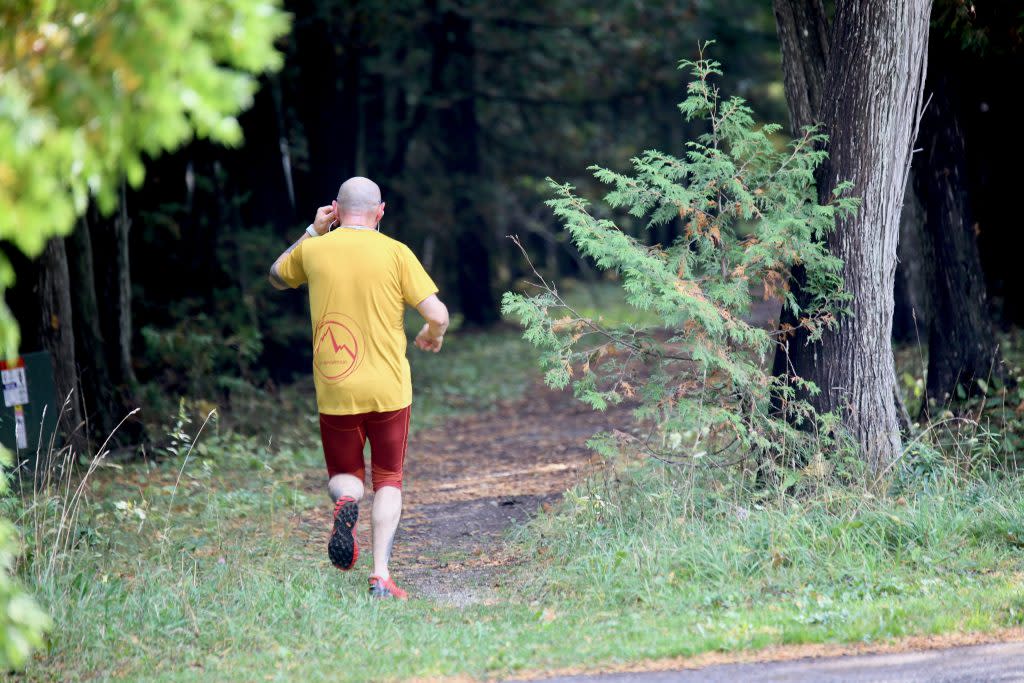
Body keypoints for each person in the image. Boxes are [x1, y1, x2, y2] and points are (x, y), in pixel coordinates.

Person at [268, 176, 449, 599]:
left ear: (335, 208)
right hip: (388, 390)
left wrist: (313, 230)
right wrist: (432, 334)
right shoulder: (396, 252)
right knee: (388, 478)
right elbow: (437, 314)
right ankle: (381, 576)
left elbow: (276, 275)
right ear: (380, 211)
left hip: (336, 387)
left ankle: (346, 501)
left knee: (345, 475)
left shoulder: (313, 249)